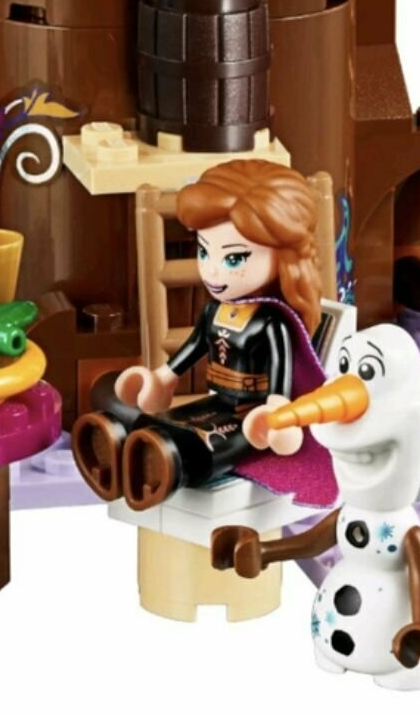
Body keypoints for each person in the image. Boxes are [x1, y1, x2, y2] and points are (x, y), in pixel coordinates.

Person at [71, 158, 325, 512]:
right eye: (204, 252)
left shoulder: (272, 322)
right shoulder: (214, 311)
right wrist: (163, 376)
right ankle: (118, 453)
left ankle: (162, 467)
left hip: (251, 415)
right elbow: (193, 348)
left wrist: (279, 414)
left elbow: (282, 376)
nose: (212, 271)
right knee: (165, 423)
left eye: (234, 259)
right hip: (217, 400)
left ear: (284, 258)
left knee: (204, 446)